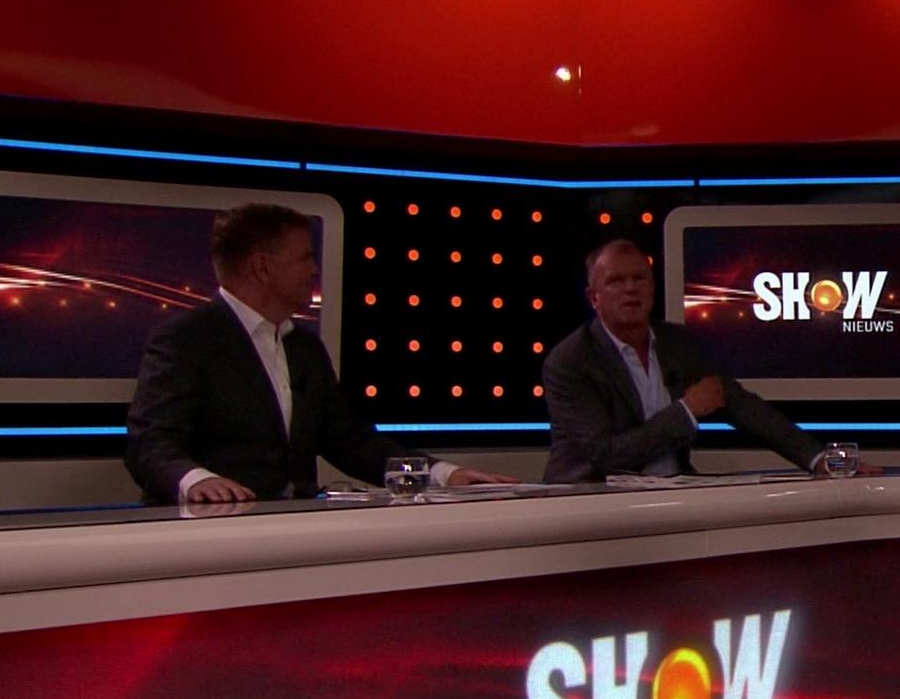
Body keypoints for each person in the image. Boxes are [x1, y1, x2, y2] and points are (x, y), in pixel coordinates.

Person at [125, 203, 513, 503]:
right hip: (211, 537)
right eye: (305, 258)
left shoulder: (303, 347)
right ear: (262, 267)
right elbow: (150, 443)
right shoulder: (186, 339)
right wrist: (197, 481)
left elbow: (351, 441)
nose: (314, 270)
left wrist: (441, 474)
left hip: (296, 533)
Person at [542, 239, 836, 481]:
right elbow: (607, 456)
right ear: (594, 298)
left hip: (670, 497)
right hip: (591, 502)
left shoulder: (677, 344)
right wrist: (686, 411)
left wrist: (819, 458)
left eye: (639, 278)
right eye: (616, 281)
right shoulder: (571, 361)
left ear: (652, 288)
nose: (630, 288)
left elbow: (741, 405)